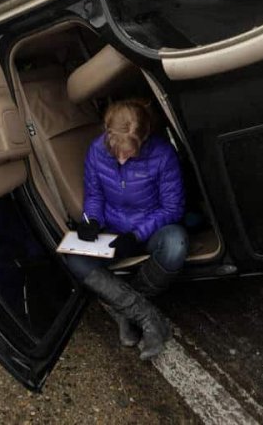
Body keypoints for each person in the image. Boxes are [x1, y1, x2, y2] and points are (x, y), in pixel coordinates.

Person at [65, 99, 187, 360]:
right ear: (108, 134)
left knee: (176, 243)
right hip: (112, 229)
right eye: (116, 150)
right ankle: (147, 317)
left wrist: (136, 235)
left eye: (129, 152)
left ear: (144, 139)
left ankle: (125, 310)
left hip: (148, 230)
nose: (121, 157)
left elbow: (172, 208)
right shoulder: (96, 151)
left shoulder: (163, 155)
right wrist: (92, 221)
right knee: (72, 257)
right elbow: (95, 195)